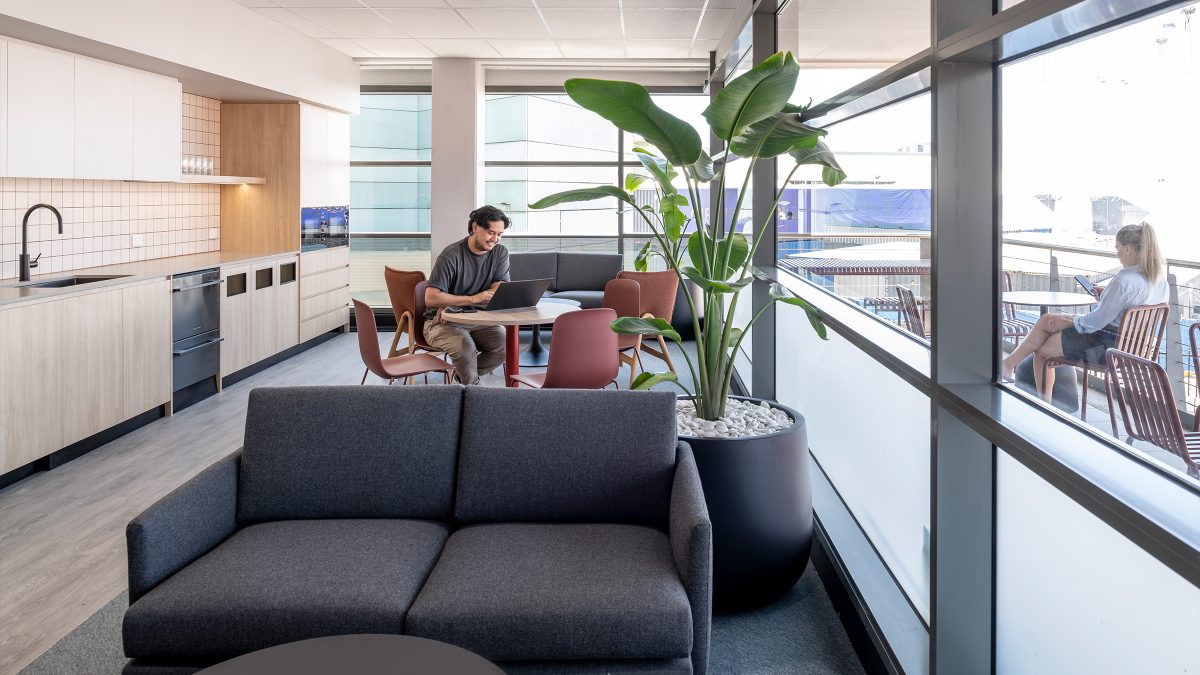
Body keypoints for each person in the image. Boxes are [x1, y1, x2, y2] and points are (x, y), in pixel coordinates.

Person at [1000, 222, 1168, 399]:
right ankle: (1009, 365)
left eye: (1118, 248)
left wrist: (1070, 321)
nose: (1117, 253)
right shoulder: (1159, 279)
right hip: (1134, 349)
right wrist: (1105, 298)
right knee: (1048, 321)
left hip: (1107, 348)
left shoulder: (1123, 281)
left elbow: (1094, 323)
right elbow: (1125, 311)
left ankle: (1041, 402)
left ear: (1128, 249)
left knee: (1042, 347)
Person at [423, 205, 512, 384]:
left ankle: (461, 377)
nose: (495, 239)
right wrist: (473, 299)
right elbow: (431, 297)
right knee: (466, 349)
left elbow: (498, 288)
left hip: (478, 319)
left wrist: (458, 303)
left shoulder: (500, 253)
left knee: (507, 344)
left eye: (500, 234)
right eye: (490, 232)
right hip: (441, 321)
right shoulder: (451, 255)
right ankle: (472, 396)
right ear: (475, 227)